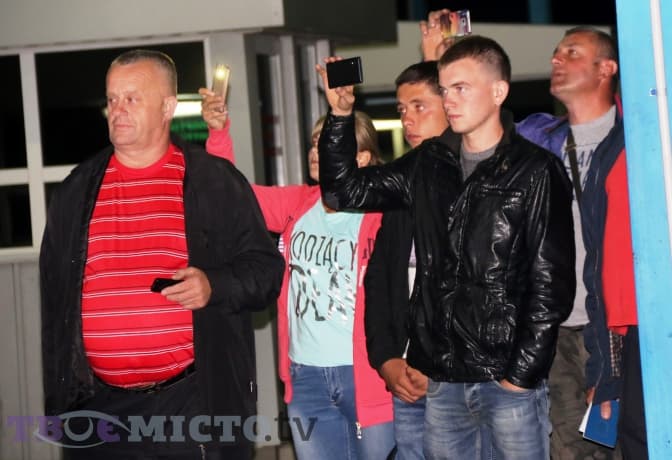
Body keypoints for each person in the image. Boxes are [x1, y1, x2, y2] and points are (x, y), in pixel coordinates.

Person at [317, 35, 575, 460]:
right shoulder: (429, 163)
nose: (449, 100)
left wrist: (519, 376)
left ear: (498, 92)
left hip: (506, 380)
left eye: (461, 88)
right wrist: (341, 116)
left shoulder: (535, 171)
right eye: (445, 89)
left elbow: (551, 286)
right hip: (442, 380)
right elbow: (343, 191)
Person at [39, 49, 285, 460]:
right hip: (99, 409)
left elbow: (266, 270)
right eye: (112, 98)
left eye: (132, 98)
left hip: (190, 403)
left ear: (168, 107)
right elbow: (54, 305)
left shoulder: (213, 182)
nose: (118, 109)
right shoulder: (76, 191)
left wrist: (214, 285)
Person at [422, 17, 635, 458]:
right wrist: (448, 63)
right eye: (556, 52)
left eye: (572, 52)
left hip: (617, 327)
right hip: (552, 330)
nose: (557, 59)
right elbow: (474, 131)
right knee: (566, 449)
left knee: (627, 444)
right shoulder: (537, 137)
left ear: (607, 68)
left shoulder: (637, 140)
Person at [200, 90, 395, 460]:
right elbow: (230, 196)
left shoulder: (383, 213)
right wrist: (219, 132)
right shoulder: (298, 204)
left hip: (367, 374)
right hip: (306, 377)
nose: (316, 151)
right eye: (314, 142)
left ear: (363, 157)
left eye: (328, 141)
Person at [363, 60, 447, 460]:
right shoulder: (403, 183)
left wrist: (441, 365)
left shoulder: (480, 180)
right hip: (406, 372)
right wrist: (386, 359)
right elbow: (379, 280)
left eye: (419, 106)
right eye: (401, 110)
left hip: (461, 377)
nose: (407, 119)